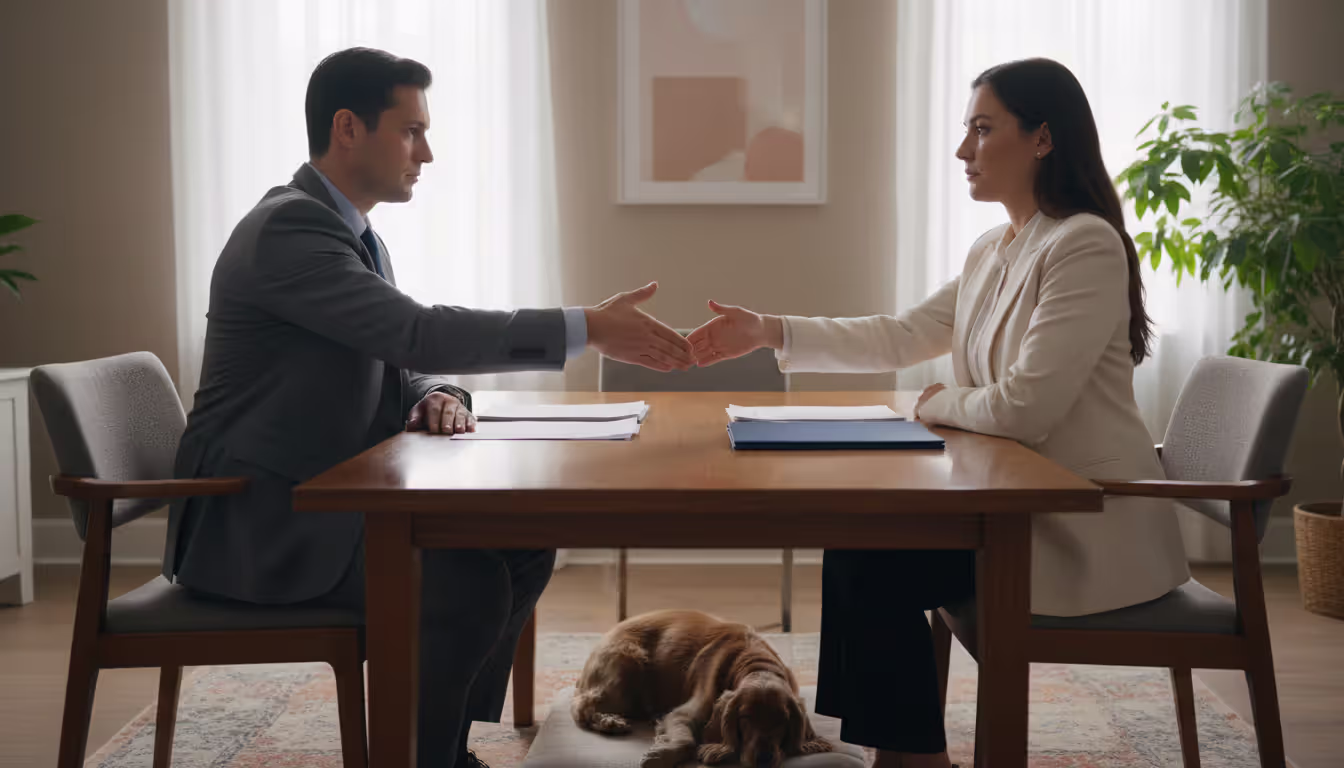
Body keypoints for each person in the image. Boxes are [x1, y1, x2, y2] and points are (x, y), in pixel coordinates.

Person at [163, 47, 694, 768]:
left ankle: (438, 744)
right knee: (464, 580)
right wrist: (585, 326)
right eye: (411, 131)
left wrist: (437, 391)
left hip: (316, 498)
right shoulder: (291, 232)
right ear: (348, 128)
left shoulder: (348, 230)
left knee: (523, 541)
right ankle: (421, 756)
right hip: (263, 520)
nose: (428, 152)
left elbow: (395, 353)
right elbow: (413, 328)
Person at [687, 58, 1189, 768]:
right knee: (858, 541)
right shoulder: (997, 247)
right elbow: (900, 334)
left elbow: (1026, 407)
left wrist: (938, 404)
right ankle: (904, 753)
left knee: (875, 562)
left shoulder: (1085, 244)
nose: (964, 151)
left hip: (1077, 524)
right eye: (966, 132)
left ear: (1042, 139)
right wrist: (770, 329)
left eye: (983, 131)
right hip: (1013, 503)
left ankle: (909, 759)